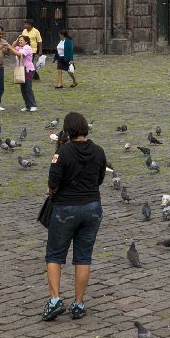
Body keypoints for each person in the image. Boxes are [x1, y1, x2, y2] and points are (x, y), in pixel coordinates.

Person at [42, 111, 107, 321]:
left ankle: (55, 300)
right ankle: (78, 303)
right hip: (93, 207)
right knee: (83, 256)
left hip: (66, 208)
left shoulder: (62, 153)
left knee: (54, 254)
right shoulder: (98, 151)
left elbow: (53, 183)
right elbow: (100, 179)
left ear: (67, 131)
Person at [12, 35, 38, 112]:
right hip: (21, 70)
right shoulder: (19, 48)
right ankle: (27, 105)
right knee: (23, 88)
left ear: (26, 41)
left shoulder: (27, 48)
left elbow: (20, 55)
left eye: (21, 40)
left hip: (28, 70)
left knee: (28, 88)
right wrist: (17, 40)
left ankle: (33, 105)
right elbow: (12, 47)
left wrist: (10, 48)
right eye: (19, 40)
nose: (20, 42)